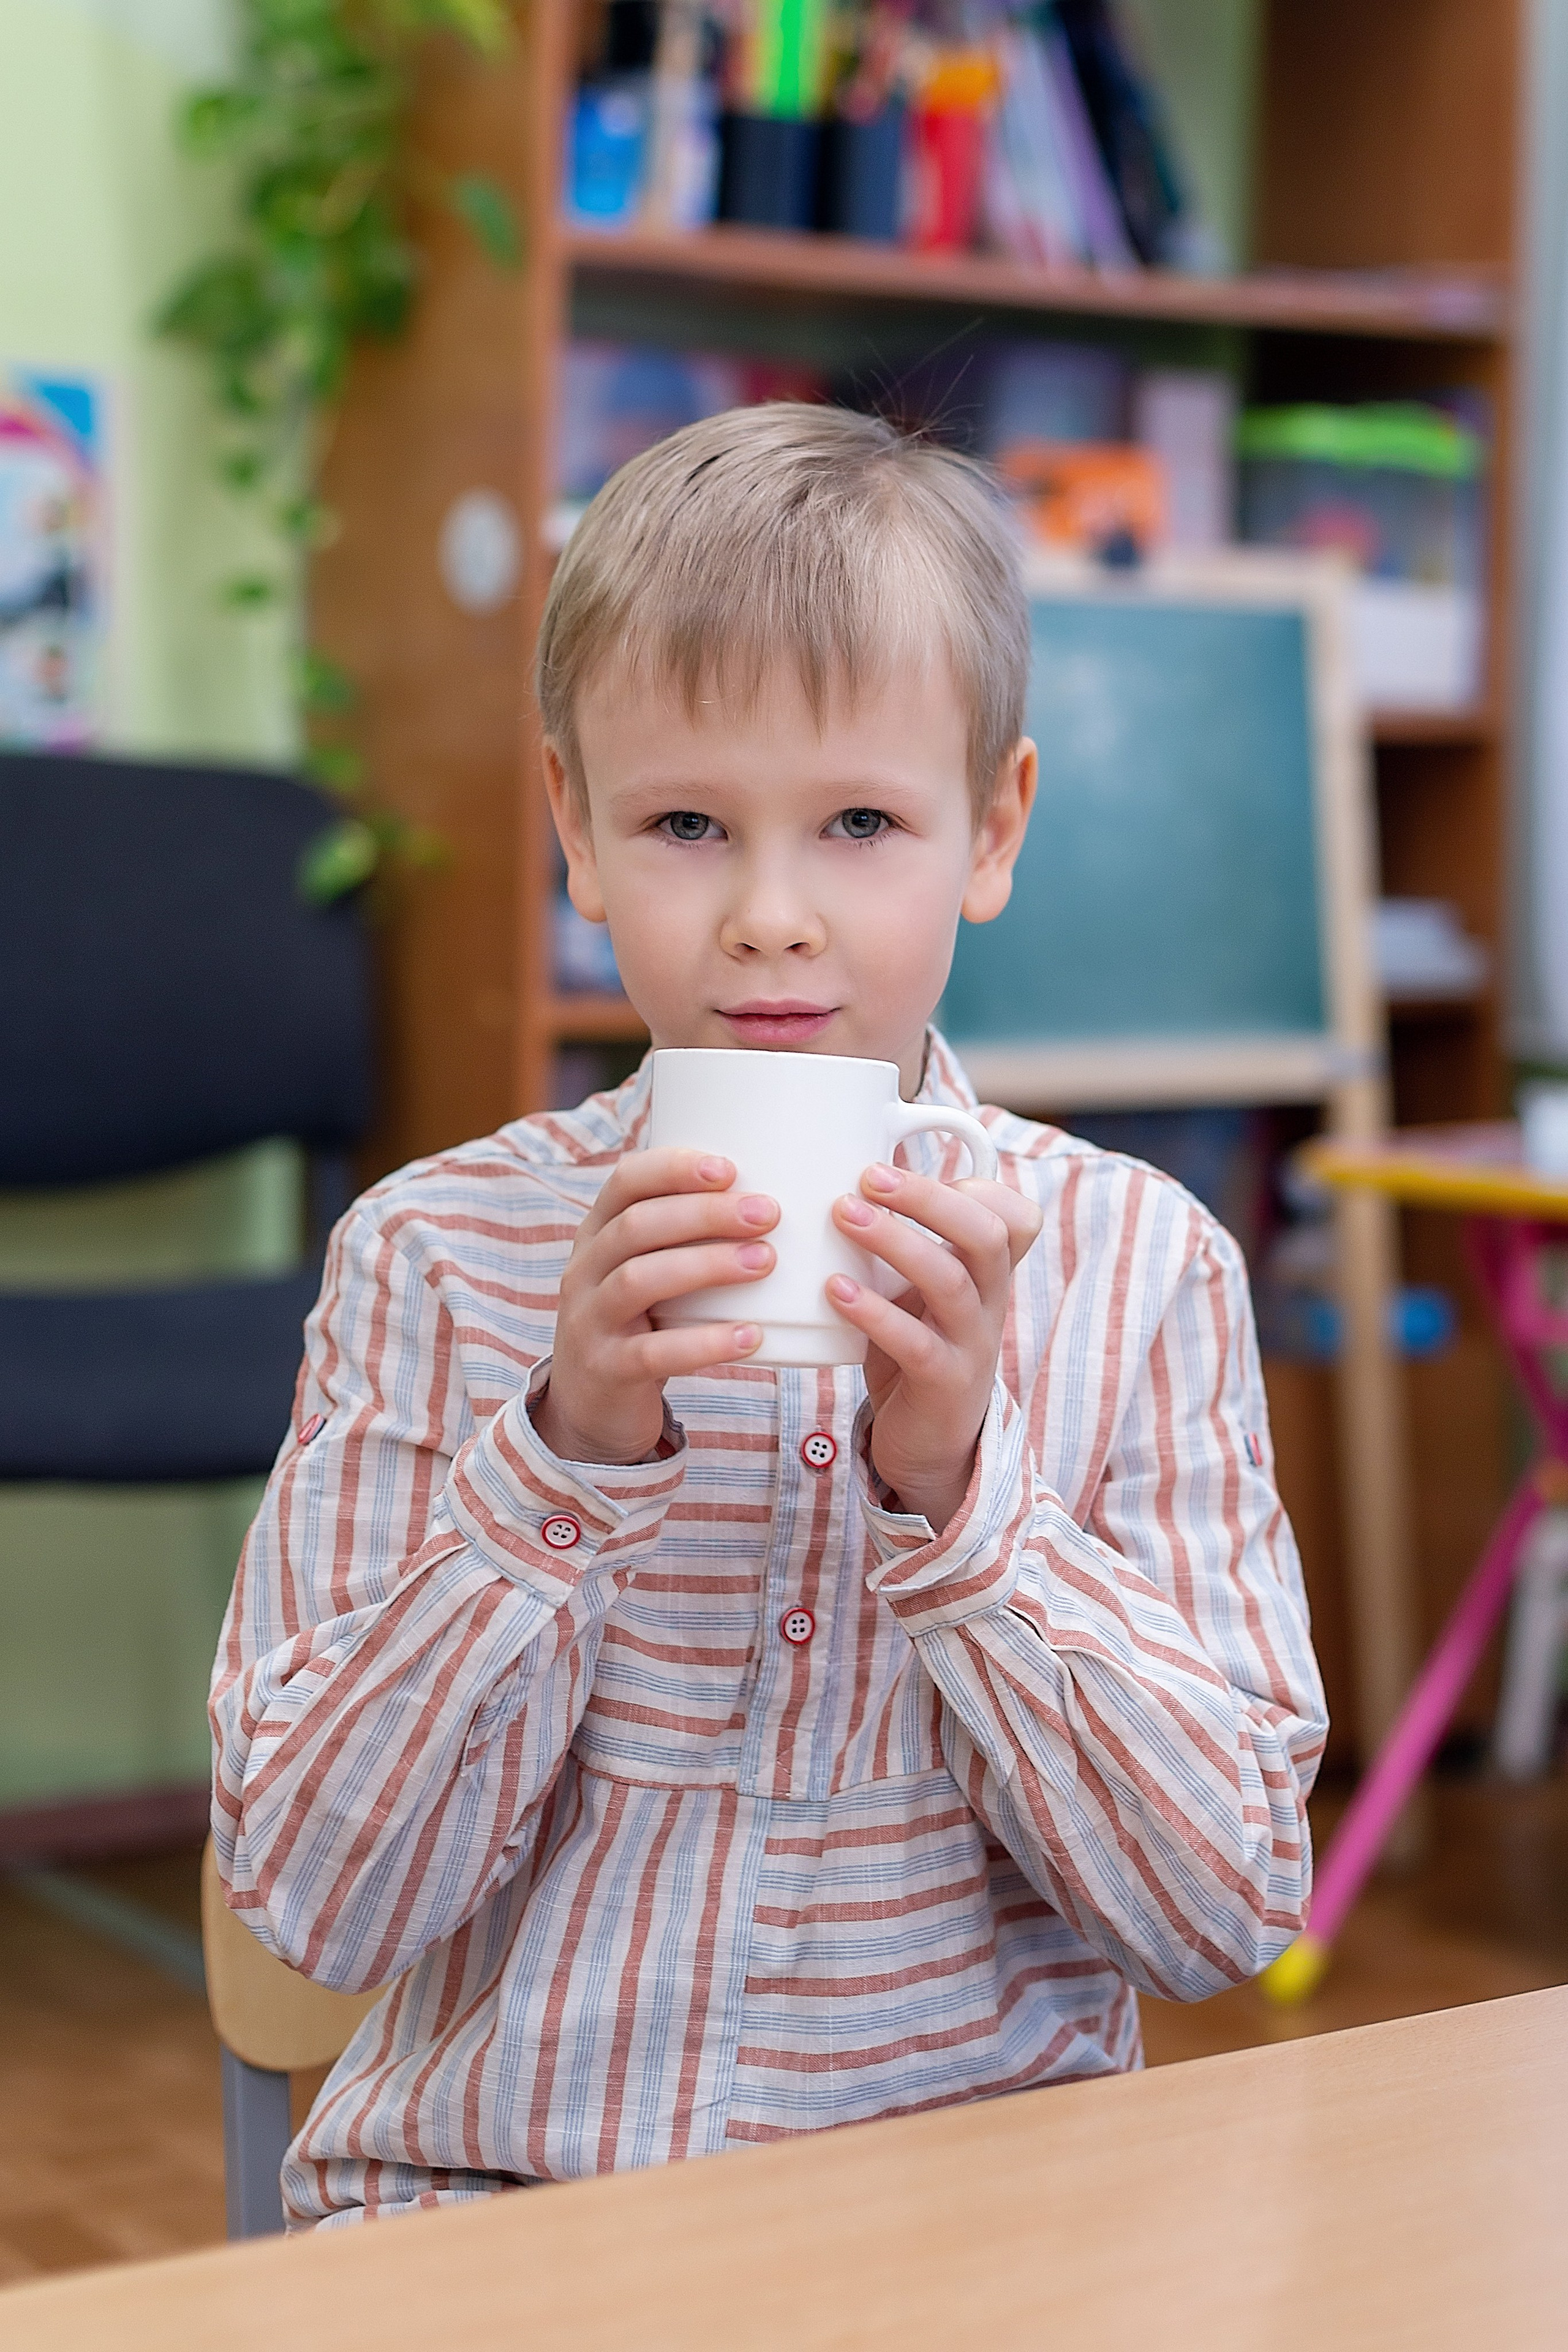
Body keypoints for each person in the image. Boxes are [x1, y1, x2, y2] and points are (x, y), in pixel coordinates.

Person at [211, 404, 1326, 2231]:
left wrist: (963, 1499)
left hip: (973, 2247)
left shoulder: (1145, 1273)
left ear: (993, 828)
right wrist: (558, 1461)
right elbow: (316, 1903)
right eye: (684, 824)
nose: (771, 918)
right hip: (499, 2219)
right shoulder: (432, 1257)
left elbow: (1225, 1909)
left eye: (863, 822)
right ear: (576, 831)